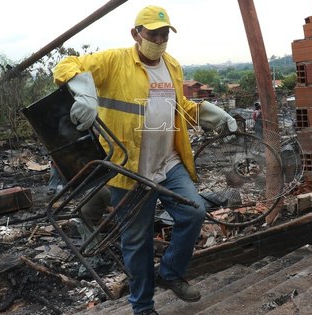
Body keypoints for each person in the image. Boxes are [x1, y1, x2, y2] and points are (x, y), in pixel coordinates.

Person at [53, 5, 237, 315]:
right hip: (129, 170)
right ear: (136, 34)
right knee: (137, 243)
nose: (160, 39)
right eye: (153, 33)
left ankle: (170, 273)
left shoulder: (173, 66)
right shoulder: (114, 61)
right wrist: (84, 92)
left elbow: (177, 109)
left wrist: (206, 113)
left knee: (194, 213)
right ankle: (142, 307)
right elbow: (65, 65)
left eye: (165, 33)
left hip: (168, 162)